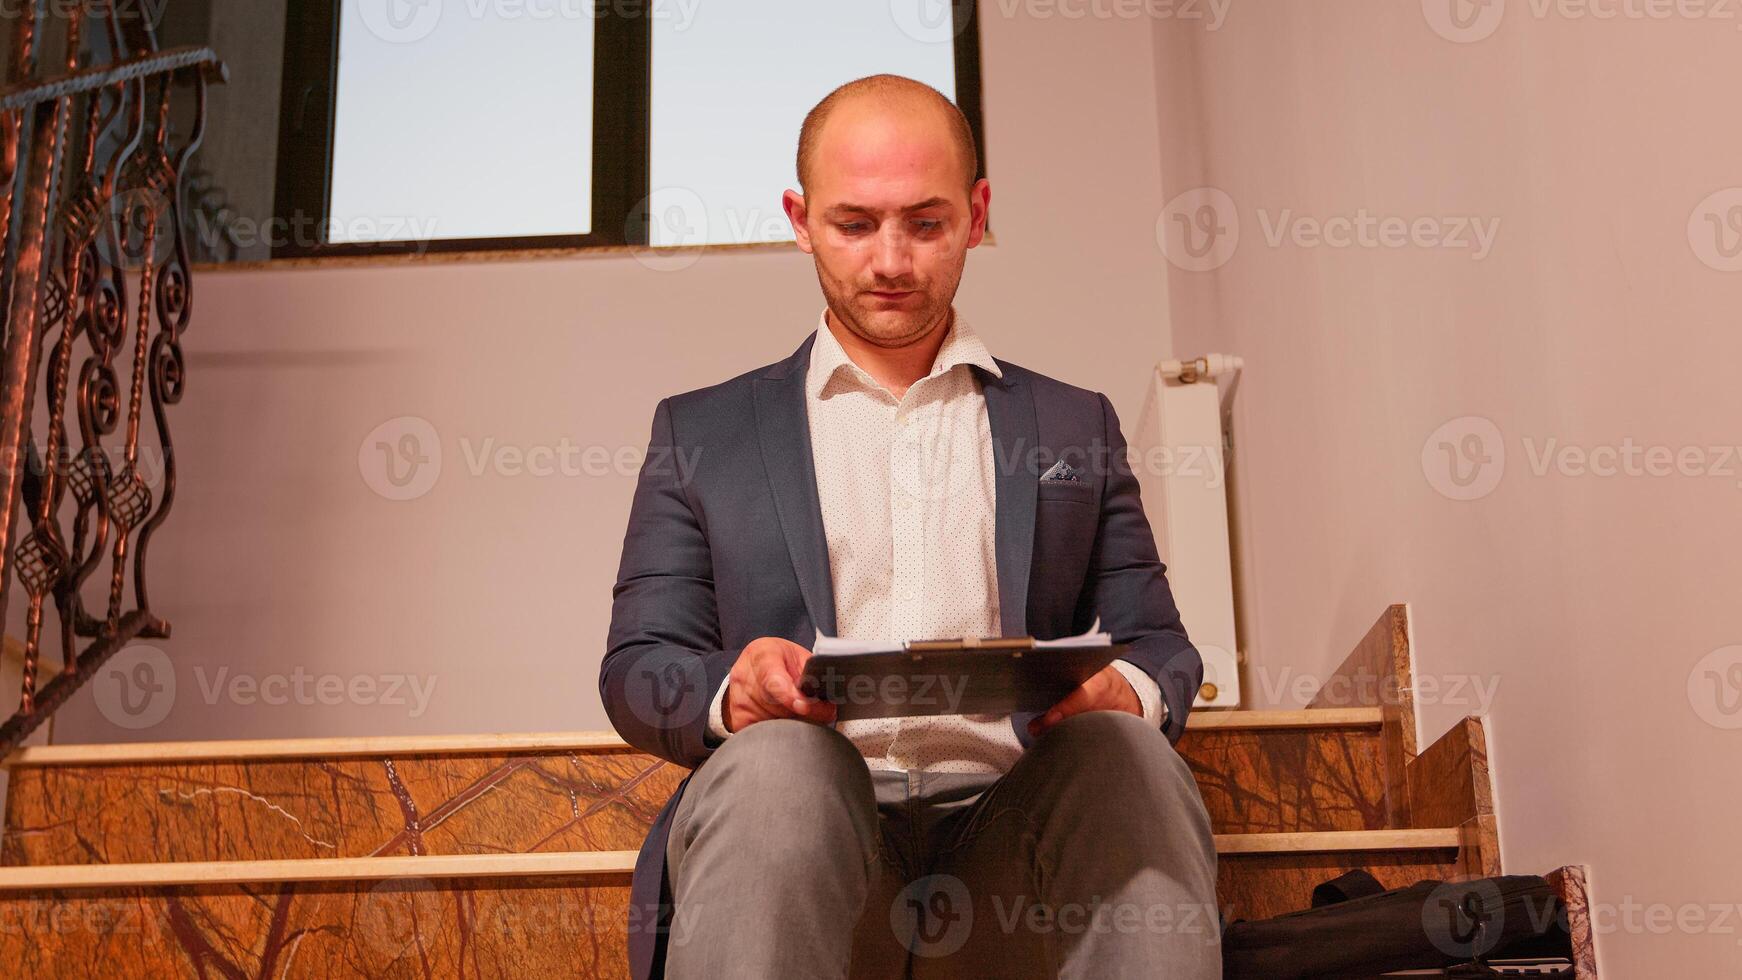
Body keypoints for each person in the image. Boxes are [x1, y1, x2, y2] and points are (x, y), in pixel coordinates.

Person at [602, 73, 1219, 980]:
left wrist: (1124, 692)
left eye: (925, 224)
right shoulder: (701, 433)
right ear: (800, 217)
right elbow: (637, 669)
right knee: (776, 773)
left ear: (976, 215)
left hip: (1019, 852)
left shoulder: (1071, 425)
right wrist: (735, 690)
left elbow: (1161, 647)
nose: (890, 261)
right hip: (805, 853)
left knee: (1125, 751)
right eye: (854, 224)